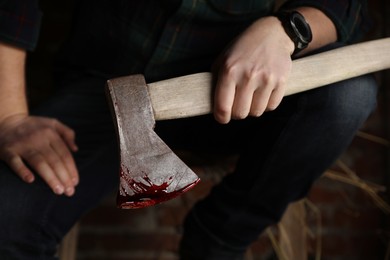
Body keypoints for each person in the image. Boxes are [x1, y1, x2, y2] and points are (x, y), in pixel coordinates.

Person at [0, 0, 378, 259]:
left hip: (238, 90)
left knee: (347, 97)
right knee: (8, 217)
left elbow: (349, 8)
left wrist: (285, 30)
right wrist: (10, 117)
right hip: (104, 88)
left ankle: (219, 238)